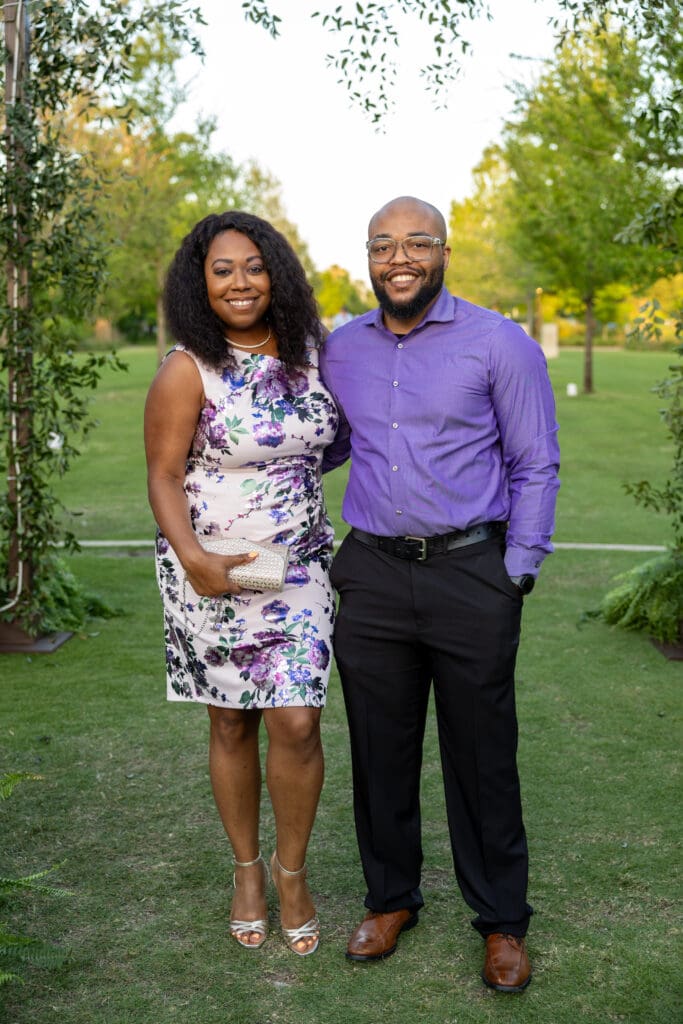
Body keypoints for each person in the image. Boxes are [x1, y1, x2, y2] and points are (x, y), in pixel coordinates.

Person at [320, 196, 560, 991]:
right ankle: (390, 899)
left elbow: (534, 461)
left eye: (416, 243)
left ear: (444, 253)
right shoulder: (340, 348)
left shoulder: (498, 342)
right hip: (373, 574)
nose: (399, 258)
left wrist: (516, 570)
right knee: (377, 750)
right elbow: (326, 443)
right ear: (367, 257)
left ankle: (501, 921)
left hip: (470, 573)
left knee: (482, 755)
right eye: (382, 245)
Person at [144, 211, 339, 956]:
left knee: (297, 721)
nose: (240, 282)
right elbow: (163, 475)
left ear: (276, 275)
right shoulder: (187, 367)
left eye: (254, 266)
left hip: (299, 569)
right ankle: (247, 872)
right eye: (222, 269)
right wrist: (192, 555)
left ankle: (293, 873)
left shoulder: (313, 354)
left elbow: (331, 440)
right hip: (211, 571)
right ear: (200, 282)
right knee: (230, 722)